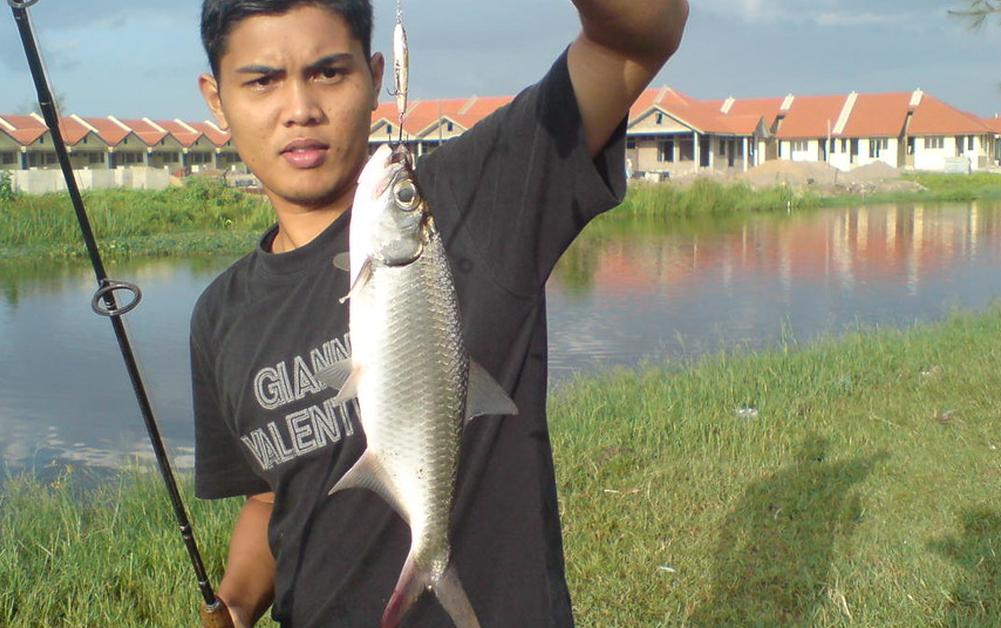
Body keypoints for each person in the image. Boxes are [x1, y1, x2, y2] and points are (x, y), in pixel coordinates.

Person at [191, 0, 688, 625]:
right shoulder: (218, 318)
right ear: (216, 98)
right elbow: (270, 501)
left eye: (328, 72)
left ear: (378, 75)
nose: (300, 110)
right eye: (262, 80)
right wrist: (235, 604)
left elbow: (638, 38)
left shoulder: (468, 199)